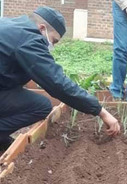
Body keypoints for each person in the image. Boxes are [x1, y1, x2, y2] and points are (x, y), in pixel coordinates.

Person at [0, 6, 120, 153]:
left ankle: (3, 140)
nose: (52, 46)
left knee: (18, 91)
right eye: (54, 41)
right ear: (42, 28)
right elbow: (57, 83)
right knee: (41, 106)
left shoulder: (13, 26)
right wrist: (101, 111)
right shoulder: (30, 40)